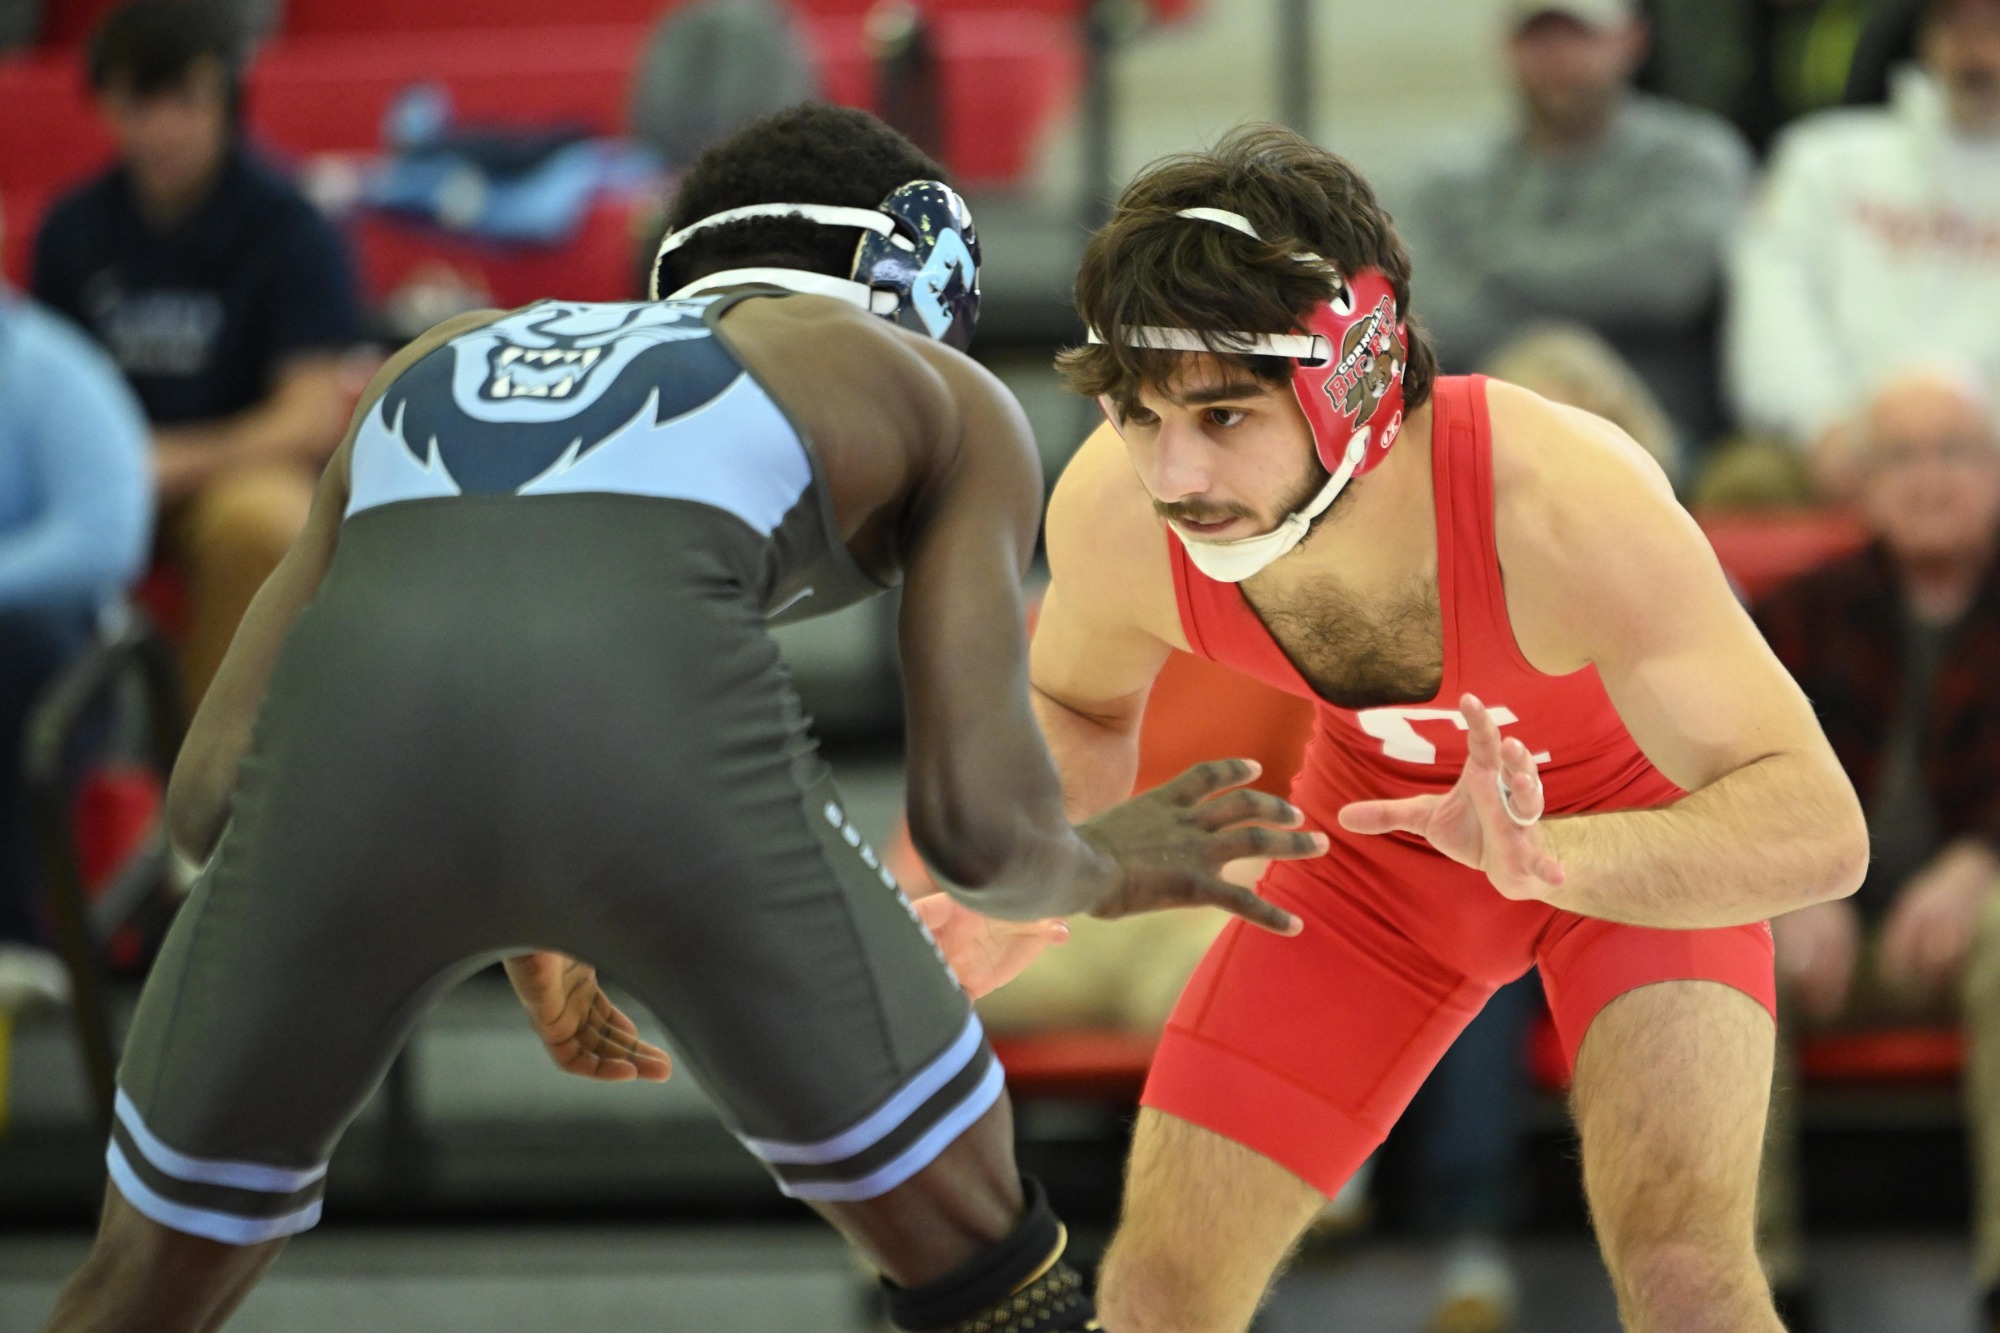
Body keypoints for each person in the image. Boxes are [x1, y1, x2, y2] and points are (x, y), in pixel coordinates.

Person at [38, 104, 1326, 1333]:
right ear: (917, 292)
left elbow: (209, 799)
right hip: (665, 795)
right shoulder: (931, 389)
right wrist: (1106, 864)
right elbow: (979, 835)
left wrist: (511, 890)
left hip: (328, 824)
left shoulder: (430, 363)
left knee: (134, 1289)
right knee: (995, 1272)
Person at [922, 124, 1868, 1331]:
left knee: (1685, 1279)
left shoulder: (1562, 498)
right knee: (1157, 1290)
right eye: (1139, 413)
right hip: (1380, 856)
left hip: (1633, 837)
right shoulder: (1118, 511)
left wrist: (1557, 859)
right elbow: (1075, 700)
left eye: (1220, 417)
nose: (1172, 475)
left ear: (1353, 384)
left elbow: (1818, 829)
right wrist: (1035, 884)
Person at [1752, 368, 2000, 1331]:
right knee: (1730, 939)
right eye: (1904, 454)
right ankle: (1753, 1287)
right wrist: (1794, 885)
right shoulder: (1803, 612)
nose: (1930, 477)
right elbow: (1727, 772)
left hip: (1970, 942)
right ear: (1862, 481)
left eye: (1956, 452)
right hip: (1828, 941)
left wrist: (1984, 860)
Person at [31, 0, 363, 709]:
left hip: (230, 472)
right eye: (136, 104)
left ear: (227, 99)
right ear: (104, 106)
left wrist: (169, 460)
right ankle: (48, 775)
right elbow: (33, 386)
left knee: (265, 522)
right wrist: (104, 469)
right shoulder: (72, 228)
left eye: (184, 101)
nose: (160, 129)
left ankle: (209, 777)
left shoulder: (290, 226)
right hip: (98, 471)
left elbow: (308, 418)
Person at [1399, 0, 1753, 454]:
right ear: (1507, 48)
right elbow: (1425, 314)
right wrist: (1592, 287)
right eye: (1540, 38)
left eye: (1578, 36)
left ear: (1633, 40)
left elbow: (1672, 284)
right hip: (1482, 441)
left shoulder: (1693, 157)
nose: (1559, 58)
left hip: (1666, 445)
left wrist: (1495, 267)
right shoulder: (1447, 177)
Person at [1728, 0, 2000, 498]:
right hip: (1832, 450)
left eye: (1995, 27)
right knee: (1744, 482)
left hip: (1990, 456)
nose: (1977, 50)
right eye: (1957, 26)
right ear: (1924, 37)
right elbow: (1774, 310)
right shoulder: (1822, 159)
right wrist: (1824, 428)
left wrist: (1971, 454)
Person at [0, 200, 153, 1012]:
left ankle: (14, 931)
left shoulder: (48, 370)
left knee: (15, 639)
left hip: (62, 660)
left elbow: (103, 537)